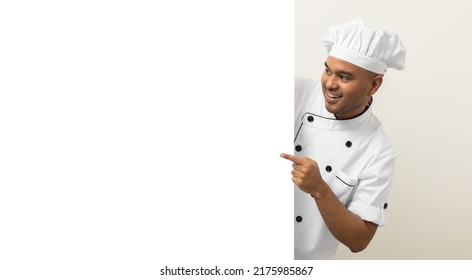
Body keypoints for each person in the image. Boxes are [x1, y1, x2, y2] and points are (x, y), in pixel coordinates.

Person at [280, 17, 406, 260]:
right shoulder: (294, 94)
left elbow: (359, 240)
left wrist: (319, 189)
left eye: (344, 77)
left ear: (374, 85)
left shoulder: (378, 150)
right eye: (327, 70)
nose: (330, 83)